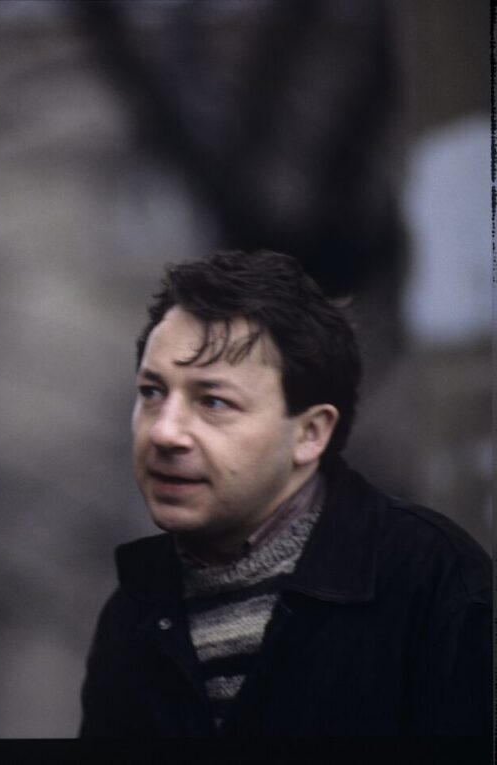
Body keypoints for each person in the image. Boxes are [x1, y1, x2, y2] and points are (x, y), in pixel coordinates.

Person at [79, 250, 491, 737]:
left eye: (213, 402)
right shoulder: (133, 613)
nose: (165, 432)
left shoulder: (432, 582)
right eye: (152, 392)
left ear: (311, 433)